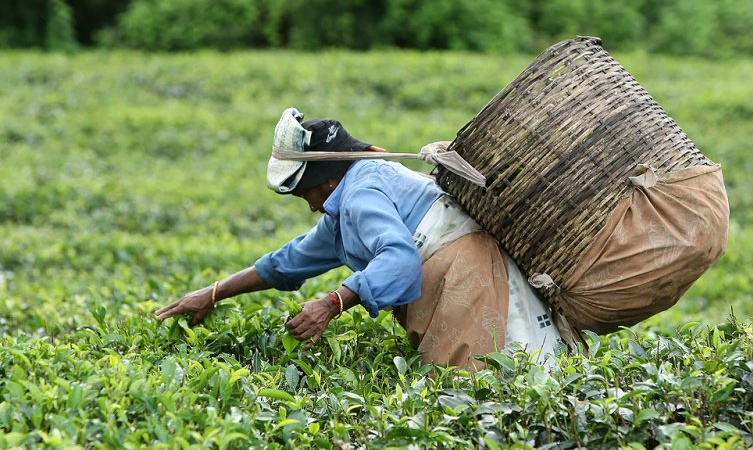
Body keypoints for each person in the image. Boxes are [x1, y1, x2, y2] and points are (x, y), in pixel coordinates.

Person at [155, 109, 566, 371]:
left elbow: (400, 260)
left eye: (307, 194)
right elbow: (287, 262)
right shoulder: (344, 204)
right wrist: (212, 293)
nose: (312, 206)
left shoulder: (359, 195)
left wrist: (331, 304)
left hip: (467, 277)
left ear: (327, 179)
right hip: (459, 278)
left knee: (487, 385)